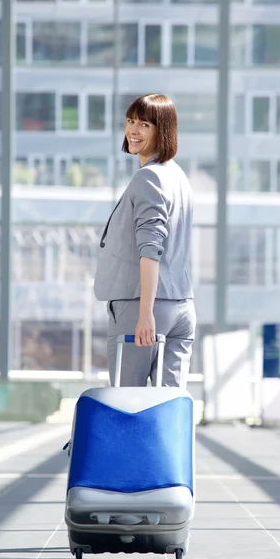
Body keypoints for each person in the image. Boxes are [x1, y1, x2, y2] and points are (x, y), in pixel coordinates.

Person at [94, 93, 196, 388]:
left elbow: (150, 251)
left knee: (127, 405)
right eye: (130, 121)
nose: (133, 131)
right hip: (181, 307)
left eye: (144, 125)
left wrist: (145, 314)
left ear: (162, 130)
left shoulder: (148, 178)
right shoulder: (178, 177)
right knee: (169, 409)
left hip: (143, 304)